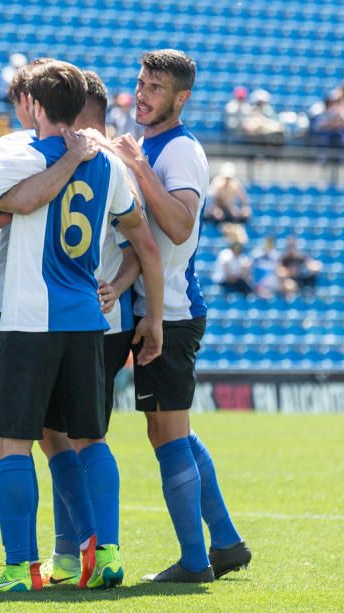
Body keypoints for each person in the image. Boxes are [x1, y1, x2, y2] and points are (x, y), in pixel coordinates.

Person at [0, 61, 161, 592]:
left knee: (12, 442)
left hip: (24, 319)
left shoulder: (21, 155)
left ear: (35, 107)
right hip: (87, 318)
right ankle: (105, 554)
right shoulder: (109, 165)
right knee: (91, 438)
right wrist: (150, 313)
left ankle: (21, 568)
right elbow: (137, 231)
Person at [110, 49, 251, 582]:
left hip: (170, 311)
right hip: (159, 307)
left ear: (181, 97)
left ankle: (195, 563)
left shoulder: (181, 151)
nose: (143, 94)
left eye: (156, 87)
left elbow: (178, 223)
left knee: (167, 435)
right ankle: (227, 542)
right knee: (172, 430)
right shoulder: (150, 144)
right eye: (141, 83)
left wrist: (140, 169)